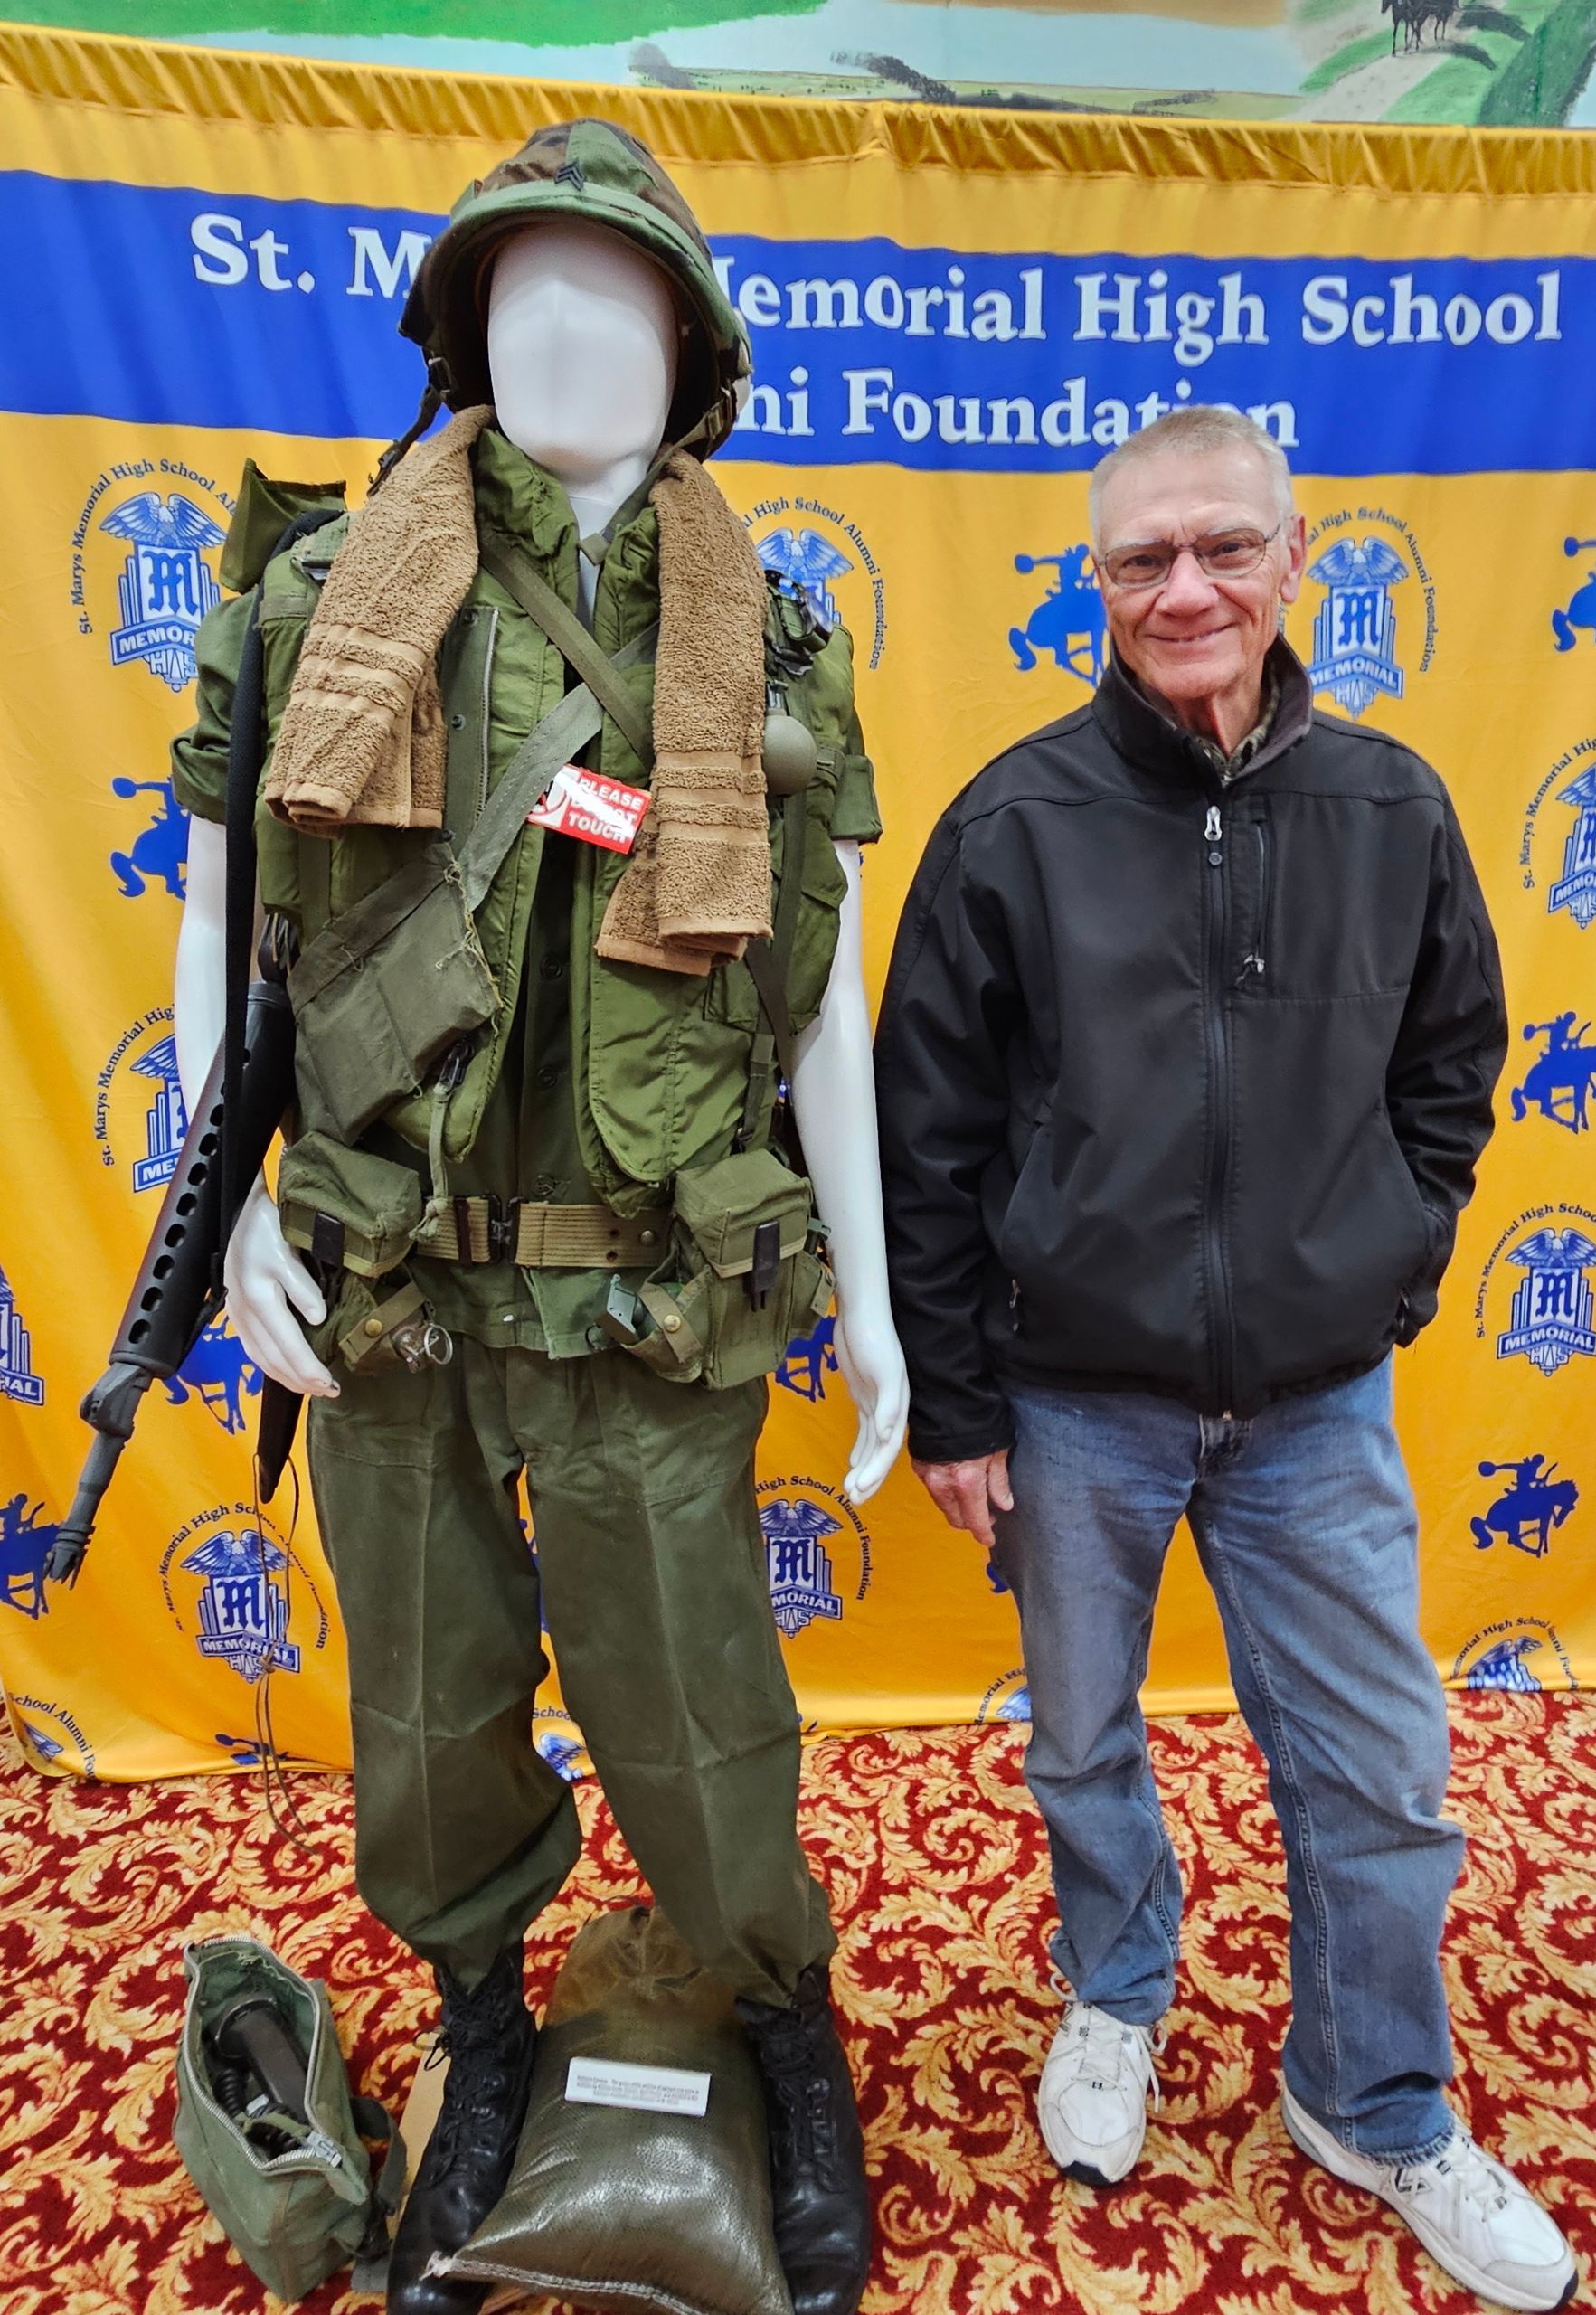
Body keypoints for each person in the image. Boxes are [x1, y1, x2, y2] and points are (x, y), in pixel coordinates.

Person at [169, 120, 907, 2315]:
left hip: (658, 1289)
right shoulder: (324, 598)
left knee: (698, 1717)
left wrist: (874, 1299)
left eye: (614, 285)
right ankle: (490, 2026)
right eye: (517, 280)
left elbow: (822, 998)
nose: (560, 319)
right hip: (385, 1274)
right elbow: (226, 934)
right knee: (421, 1717)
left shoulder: (765, 637)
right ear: (459, 322)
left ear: (691, 348)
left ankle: (785, 2023)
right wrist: (213, 1223)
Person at [874, 407, 1577, 2313]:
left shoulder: (1395, 808)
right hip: (1074, 1397)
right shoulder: (1012, 822)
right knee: (1085, 1740)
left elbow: (1453, 1064)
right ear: (1094, 588)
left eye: (1222, 549)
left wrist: (1385, 1260)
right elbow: (921, 1127)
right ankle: (1116, 1992)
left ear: (1291, 564)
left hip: (1316, 1404)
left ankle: (1373, 2089)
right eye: (1140, 560)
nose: (1183, 589)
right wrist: (950, 1397)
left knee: (1382, 1770)